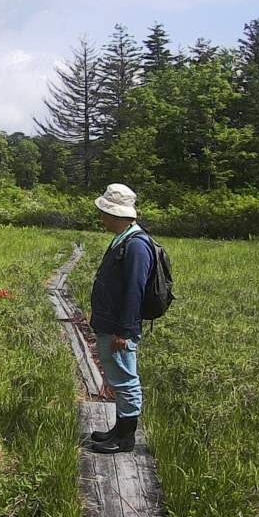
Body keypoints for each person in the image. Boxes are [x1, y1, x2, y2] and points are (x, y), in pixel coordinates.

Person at [88, 183, 153, 454]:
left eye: (104, 212)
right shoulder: (124, 239)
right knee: (118, 377)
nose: (101, 217)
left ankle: (126, 439)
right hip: (111, 324)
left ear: (116, 214)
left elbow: (134, 292)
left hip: (119, 328)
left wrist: (124, 332)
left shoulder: (136, 246)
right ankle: (118, 429)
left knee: (126, 379)